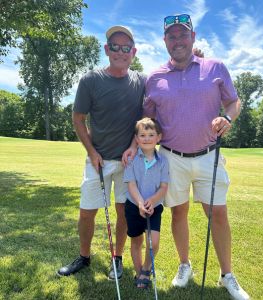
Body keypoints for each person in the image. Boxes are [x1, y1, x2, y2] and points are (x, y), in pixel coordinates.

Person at [143, 14, 250, 300]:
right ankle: (184, 265)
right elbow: (147, 118)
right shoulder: (154, 77)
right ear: (164, 40)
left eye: (182, 35)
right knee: (178, 211)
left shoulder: (215, 67)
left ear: (193, 36)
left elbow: (233, 101)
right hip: (171, 157)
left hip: (208, 155)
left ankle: (227, 274)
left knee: (218, 213)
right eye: (172, 36)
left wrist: (227, 117)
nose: (177, 40)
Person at [57, 25, 146, 280]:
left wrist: (132, 146)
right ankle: (84, 257)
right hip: (97, 160)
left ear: (133, 52)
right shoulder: (91, 80)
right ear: (107, 49)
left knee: (123, 213)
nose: (120, 52)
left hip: (129, 162)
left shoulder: (141, 81)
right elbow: (78, 119)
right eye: (115, 47)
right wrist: (92, 151)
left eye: (126, 47)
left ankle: (117, 259)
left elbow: (146, 115)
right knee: (87, 211)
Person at [123, 117, 169, 288]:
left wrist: (152, 201)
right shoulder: (131, 159)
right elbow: (132, 184)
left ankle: (146, 268)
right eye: (142, 135)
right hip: (134, 206)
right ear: (136, 139)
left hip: (154, 207)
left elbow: (164, 187)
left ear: (159, 137)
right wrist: (141, 203)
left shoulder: (163, 161)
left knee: (153, 242)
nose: (147, 138)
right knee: (136, 241)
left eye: (151, 135)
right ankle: (139, 273)